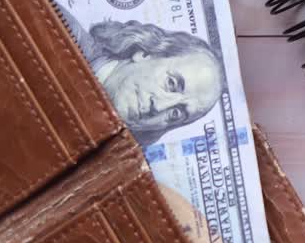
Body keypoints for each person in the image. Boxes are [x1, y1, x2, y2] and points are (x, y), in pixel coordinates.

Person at [67, 17, 226, 146]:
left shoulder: (103, 168)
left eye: (176, 113)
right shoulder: (60, 36)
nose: (159, 107)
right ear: (144, 54)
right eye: (171, 84)